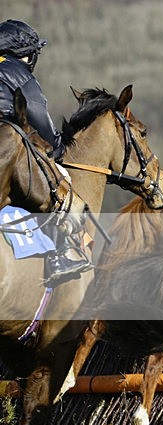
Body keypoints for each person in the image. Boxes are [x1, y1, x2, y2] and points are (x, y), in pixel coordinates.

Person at [0, 19, 92, 286]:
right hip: (8, 138)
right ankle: (59, 256)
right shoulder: (17, 71)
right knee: (59, 181)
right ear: (26, 54)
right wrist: (56, 145)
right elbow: (37, 114)